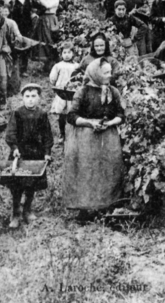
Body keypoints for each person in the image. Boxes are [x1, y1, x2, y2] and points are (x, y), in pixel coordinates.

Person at [63, 59, 125, 218]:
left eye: (110, 72)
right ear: (95, 73)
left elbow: (121, 114)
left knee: (107, 169)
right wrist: (90, 123)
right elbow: (71, 116)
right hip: (86, 138)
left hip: (108, 136)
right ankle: (85, 208)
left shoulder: (114, 92)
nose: (109, 76)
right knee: (87, 170)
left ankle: (105, 205)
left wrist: (111, 122)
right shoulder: (83, 91)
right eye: (105, 73)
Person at [2, 84, 53, 228]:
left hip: (36, 153)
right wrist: (14, 147)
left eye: (33, 96)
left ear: (39, 98)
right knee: (17, 185)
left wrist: (47, 152)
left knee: (32, 183)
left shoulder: (42, 114)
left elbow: (47, 135)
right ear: (22, 98)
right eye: (27, 97)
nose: (30, 100)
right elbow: (10, 133)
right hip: (20, 153)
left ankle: (27, 209)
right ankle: (15, 213)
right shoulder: (17, 113)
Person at [8, 0, 44, 76]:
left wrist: (35, 14)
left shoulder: (30, 0)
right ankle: (13, 69)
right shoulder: (12, 1)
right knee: (14, 46)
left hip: (27, 27)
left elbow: (42, 8)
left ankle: (23, 70)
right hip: (14, 26)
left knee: (26, 47)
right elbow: (6, 12)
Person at [49, 42, 79, 141]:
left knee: (72, 113)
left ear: (73, 53)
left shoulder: (76, 66)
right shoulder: (58, 66)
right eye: (64, 52)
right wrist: (55, 85)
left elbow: (80, 78)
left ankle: (73, 133)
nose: (66, 55)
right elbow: (52, 78)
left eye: (69, 52)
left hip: (72, 92)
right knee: (62, 114)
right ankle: (62, 133)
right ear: (61, 54)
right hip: (61, 92)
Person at [34, 0, 60, 71]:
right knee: (41, 39)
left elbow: (47, 6)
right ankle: (43, 62)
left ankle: (52, 62)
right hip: (42, 19)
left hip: (51, 19)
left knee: (50, 39)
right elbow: (38, 7)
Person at [0, 4, 19, 108]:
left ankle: (2, 101)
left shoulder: (4, 23)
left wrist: (6, 47)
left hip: (1, 54)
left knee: (2, 76)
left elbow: (8, 40)